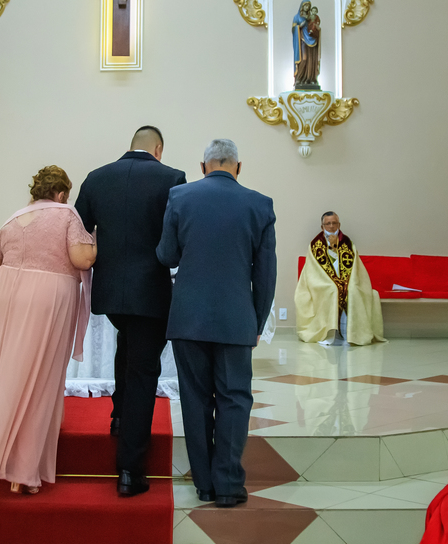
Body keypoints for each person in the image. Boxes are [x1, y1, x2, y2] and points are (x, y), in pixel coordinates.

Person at [157, 139, 276, 508]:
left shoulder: (180, 197)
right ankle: (228, 484)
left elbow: (166, 254)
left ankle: (204, 485)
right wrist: (255, 321)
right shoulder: (259, 204)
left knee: (194, 399)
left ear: (202, 165)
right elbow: (266, 273)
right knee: (235, 398)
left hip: (188, 318)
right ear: (238, 167)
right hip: (236, 319)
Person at [74, 125, 187, 497]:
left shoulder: (96, 178)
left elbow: (78, 232)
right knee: (143, 370)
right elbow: (176, 236)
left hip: (109, 292)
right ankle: (130, 468)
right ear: (158, 149)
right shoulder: (172, 178)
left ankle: (119, 415)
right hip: (151, 291)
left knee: (129, 345)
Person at [0, 166, 96, 495]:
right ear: (61, 194)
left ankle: (2, 461)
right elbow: (81, 259)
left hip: (3, 294)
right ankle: (23, 472)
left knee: (9, 375)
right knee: (40, 379)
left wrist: (15, 287)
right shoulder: (66, 214)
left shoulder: (13, 218)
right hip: (46, 298)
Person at [295, 211, 385, 346]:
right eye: (328, 223)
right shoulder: (315, 244)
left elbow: (355, 268)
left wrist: (336, 249)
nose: (331, 226)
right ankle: (329, 335)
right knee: (332, 289)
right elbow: (313, 270)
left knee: (353, 290)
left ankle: (353, 335)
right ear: (322, 226)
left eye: (334, 223)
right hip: (323, 281)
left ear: (339, 224)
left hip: (347, 279)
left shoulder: (348, 243)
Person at [291, 0, 321, 89]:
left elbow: (316, 25)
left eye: (308, 6)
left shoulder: (311, 17)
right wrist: (299, 26)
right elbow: (293, 29)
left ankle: (310, 78)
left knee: (311, 60)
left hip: (312, 40)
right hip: (303, 41)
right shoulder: (297, 17)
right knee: (303, 59)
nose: (306, 8)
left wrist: (317, 28)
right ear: (301, 7)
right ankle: (299, 79)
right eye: (305, 6)